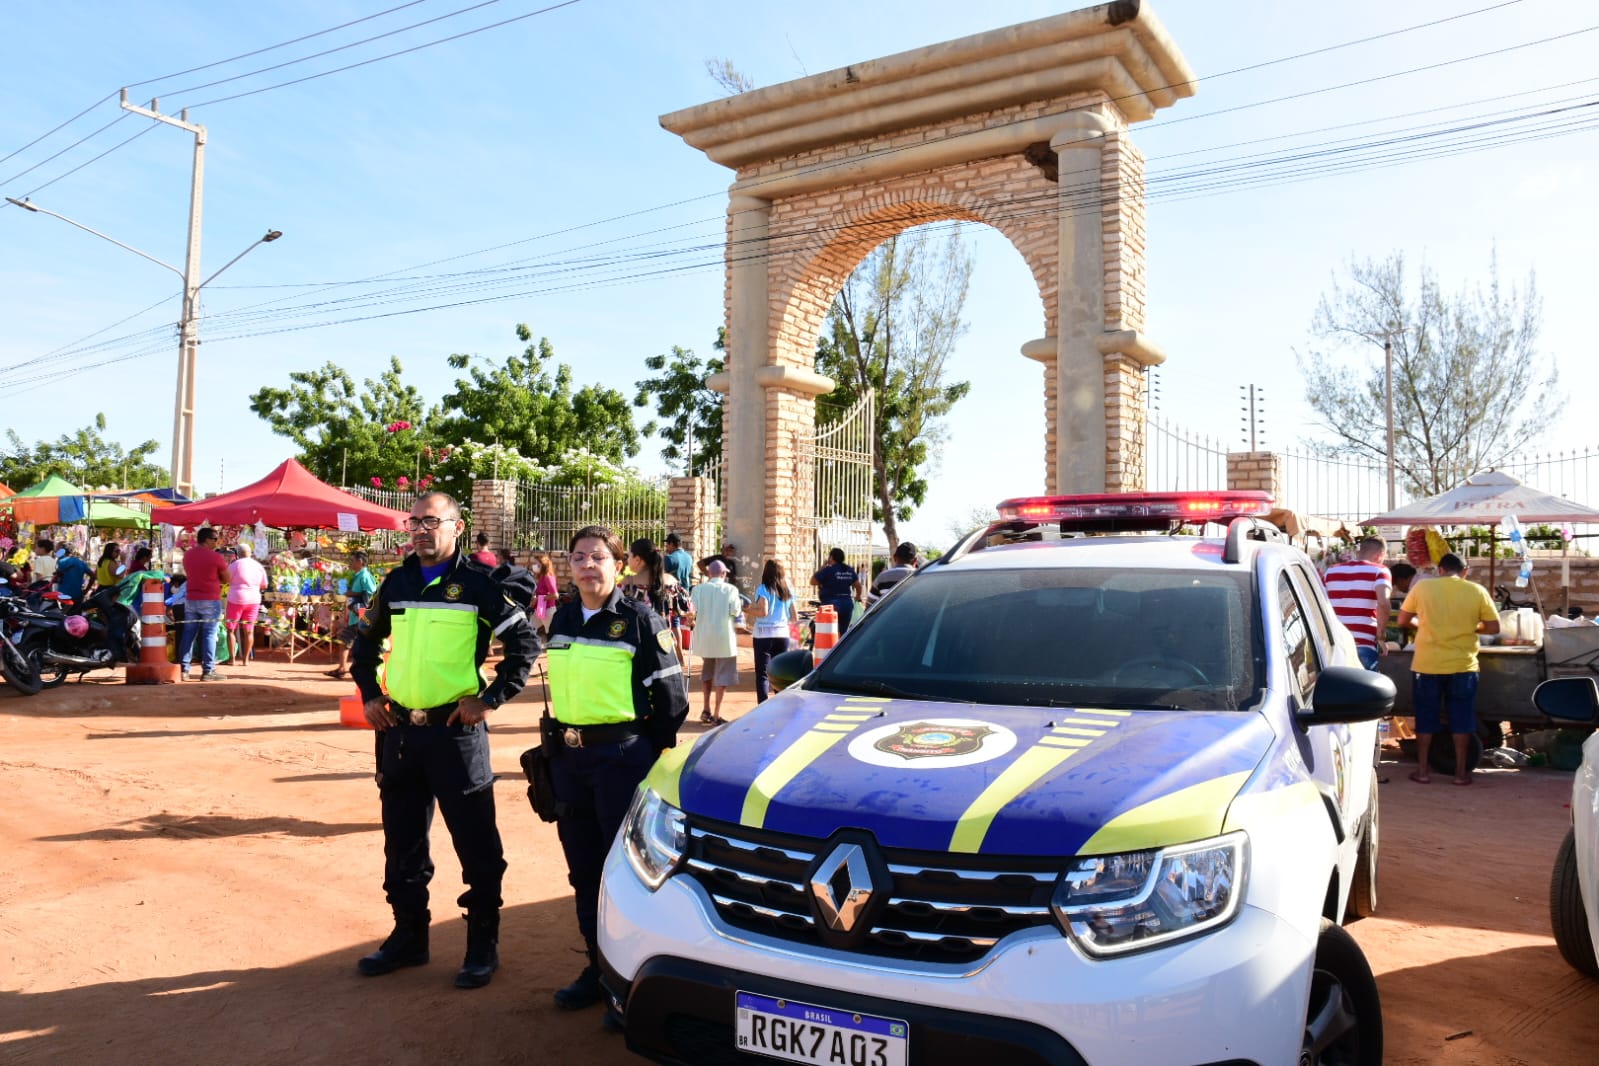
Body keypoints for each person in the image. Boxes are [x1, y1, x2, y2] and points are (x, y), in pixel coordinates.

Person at [350, 491, 539, 990]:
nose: (420, 530)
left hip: (456, 734)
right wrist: (370, 694)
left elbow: (525, 643)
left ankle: (482, 944)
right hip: (401, 735)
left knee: (476, 844)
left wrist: (491, 699)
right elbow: (364, 643)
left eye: (432, 521)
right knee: (403, 842)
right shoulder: (397, 580)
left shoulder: (479, 584)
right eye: (414, 522)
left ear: (457, 527)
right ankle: (409, 936)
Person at [544, 524, 687, 1013]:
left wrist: (646, 750)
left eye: (598, 557)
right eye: (579, 557)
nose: (587, 565)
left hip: (622, 759)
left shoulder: (641, 620)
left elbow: (672, 700)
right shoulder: (562, 619)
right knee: (583, 869)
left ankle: (624, 982)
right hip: (568, 760)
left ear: (618, 564)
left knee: (623, 874)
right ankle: (595, 968)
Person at [1397, 553, 1500, 786]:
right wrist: (1472, 627)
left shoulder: (1423, 588)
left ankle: (1423, 772)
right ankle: (1461, 774)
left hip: (1427, 665)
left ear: (1440, 569)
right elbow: (1494, 626)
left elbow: (1403, 620)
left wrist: (1421, 623)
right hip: (1463, 666)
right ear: (1465, 571)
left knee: (1425, 718)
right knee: (1462, 720)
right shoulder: (1476, 591)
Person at [1322, 537, 1392, 669]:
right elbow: (1383, 603)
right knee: (1364, 688)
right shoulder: (1380, 571)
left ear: (1359, 552)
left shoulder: (1331, 571)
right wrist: (1381, 636)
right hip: (1363, 644)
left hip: (1334, 644)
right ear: (1380, 555)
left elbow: (1320, 603)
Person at [688, 559, 742, 724]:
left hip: (704, 637)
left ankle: (706, 709)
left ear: (709, 573)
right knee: (723, 675)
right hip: (724, 638)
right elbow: (735, 611)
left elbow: (691, 612)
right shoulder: (731, 589)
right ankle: (717, 714)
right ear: (724, 573)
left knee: (707, 672)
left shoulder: (698, 589)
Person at [178, 529, 231, 681]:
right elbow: (227, 579)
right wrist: (216, 579)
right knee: (209, 634)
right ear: (206, 540)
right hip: (210, 599)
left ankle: (184, 670)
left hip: (191, 598)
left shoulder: (188, 555)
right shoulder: (216, 557)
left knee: (188, 633)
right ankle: (208, 671)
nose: (216, 542)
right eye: (214, 539)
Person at [328, 551, 380, 680]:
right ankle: (344, 668)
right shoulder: (358, 575)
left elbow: (370, 593)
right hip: (356, 616)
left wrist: (349, 593)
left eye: (353, 560)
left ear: (360, 562)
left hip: (361, 616)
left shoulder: (365, 576)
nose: (350, 563)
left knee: (346, 640)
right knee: (348, 641)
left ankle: (344, 668)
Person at [749, 559, 794, 702]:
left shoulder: (763, 588)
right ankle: (781, 703)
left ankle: (763, 706)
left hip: (763, 634)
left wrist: (747, 609)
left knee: (763, 674)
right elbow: (794, 615)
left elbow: (763, 612)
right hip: (782, 634)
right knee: (780, 672)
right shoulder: (788, 589)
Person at [225, 545, 269, 666]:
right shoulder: (258, 566)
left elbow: (226, 579)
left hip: (235, 599)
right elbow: (264, 585)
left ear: (238, 553)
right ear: (250, 553)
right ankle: (246, 660)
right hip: (253, 600)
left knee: (231, 630)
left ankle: (232, 659)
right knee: (249, 631)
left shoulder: (234, 565)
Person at [811, 548, 863, 634]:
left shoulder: (827, 570)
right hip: (847, 604)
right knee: (843, 633)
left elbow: (813, 582)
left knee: (829, 633)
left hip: (830, 605)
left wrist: (822, 567)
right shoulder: (848, 570)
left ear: (831, 557)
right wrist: (857, 597)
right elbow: (858, 586)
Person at [867, 542, 919, 607]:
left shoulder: (882, 577)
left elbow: (869, 607)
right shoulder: (921, 576)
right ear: (915, 560)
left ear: (894, 558)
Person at [531, 553, 559, 633]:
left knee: (550, 633)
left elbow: (555, 595)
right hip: (540, 608)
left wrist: (539, 599)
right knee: (530, 628)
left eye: (537, 564)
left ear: (542, 565)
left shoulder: (548, 577)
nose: (535, 566)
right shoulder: (542, 576)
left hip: (547, 610)